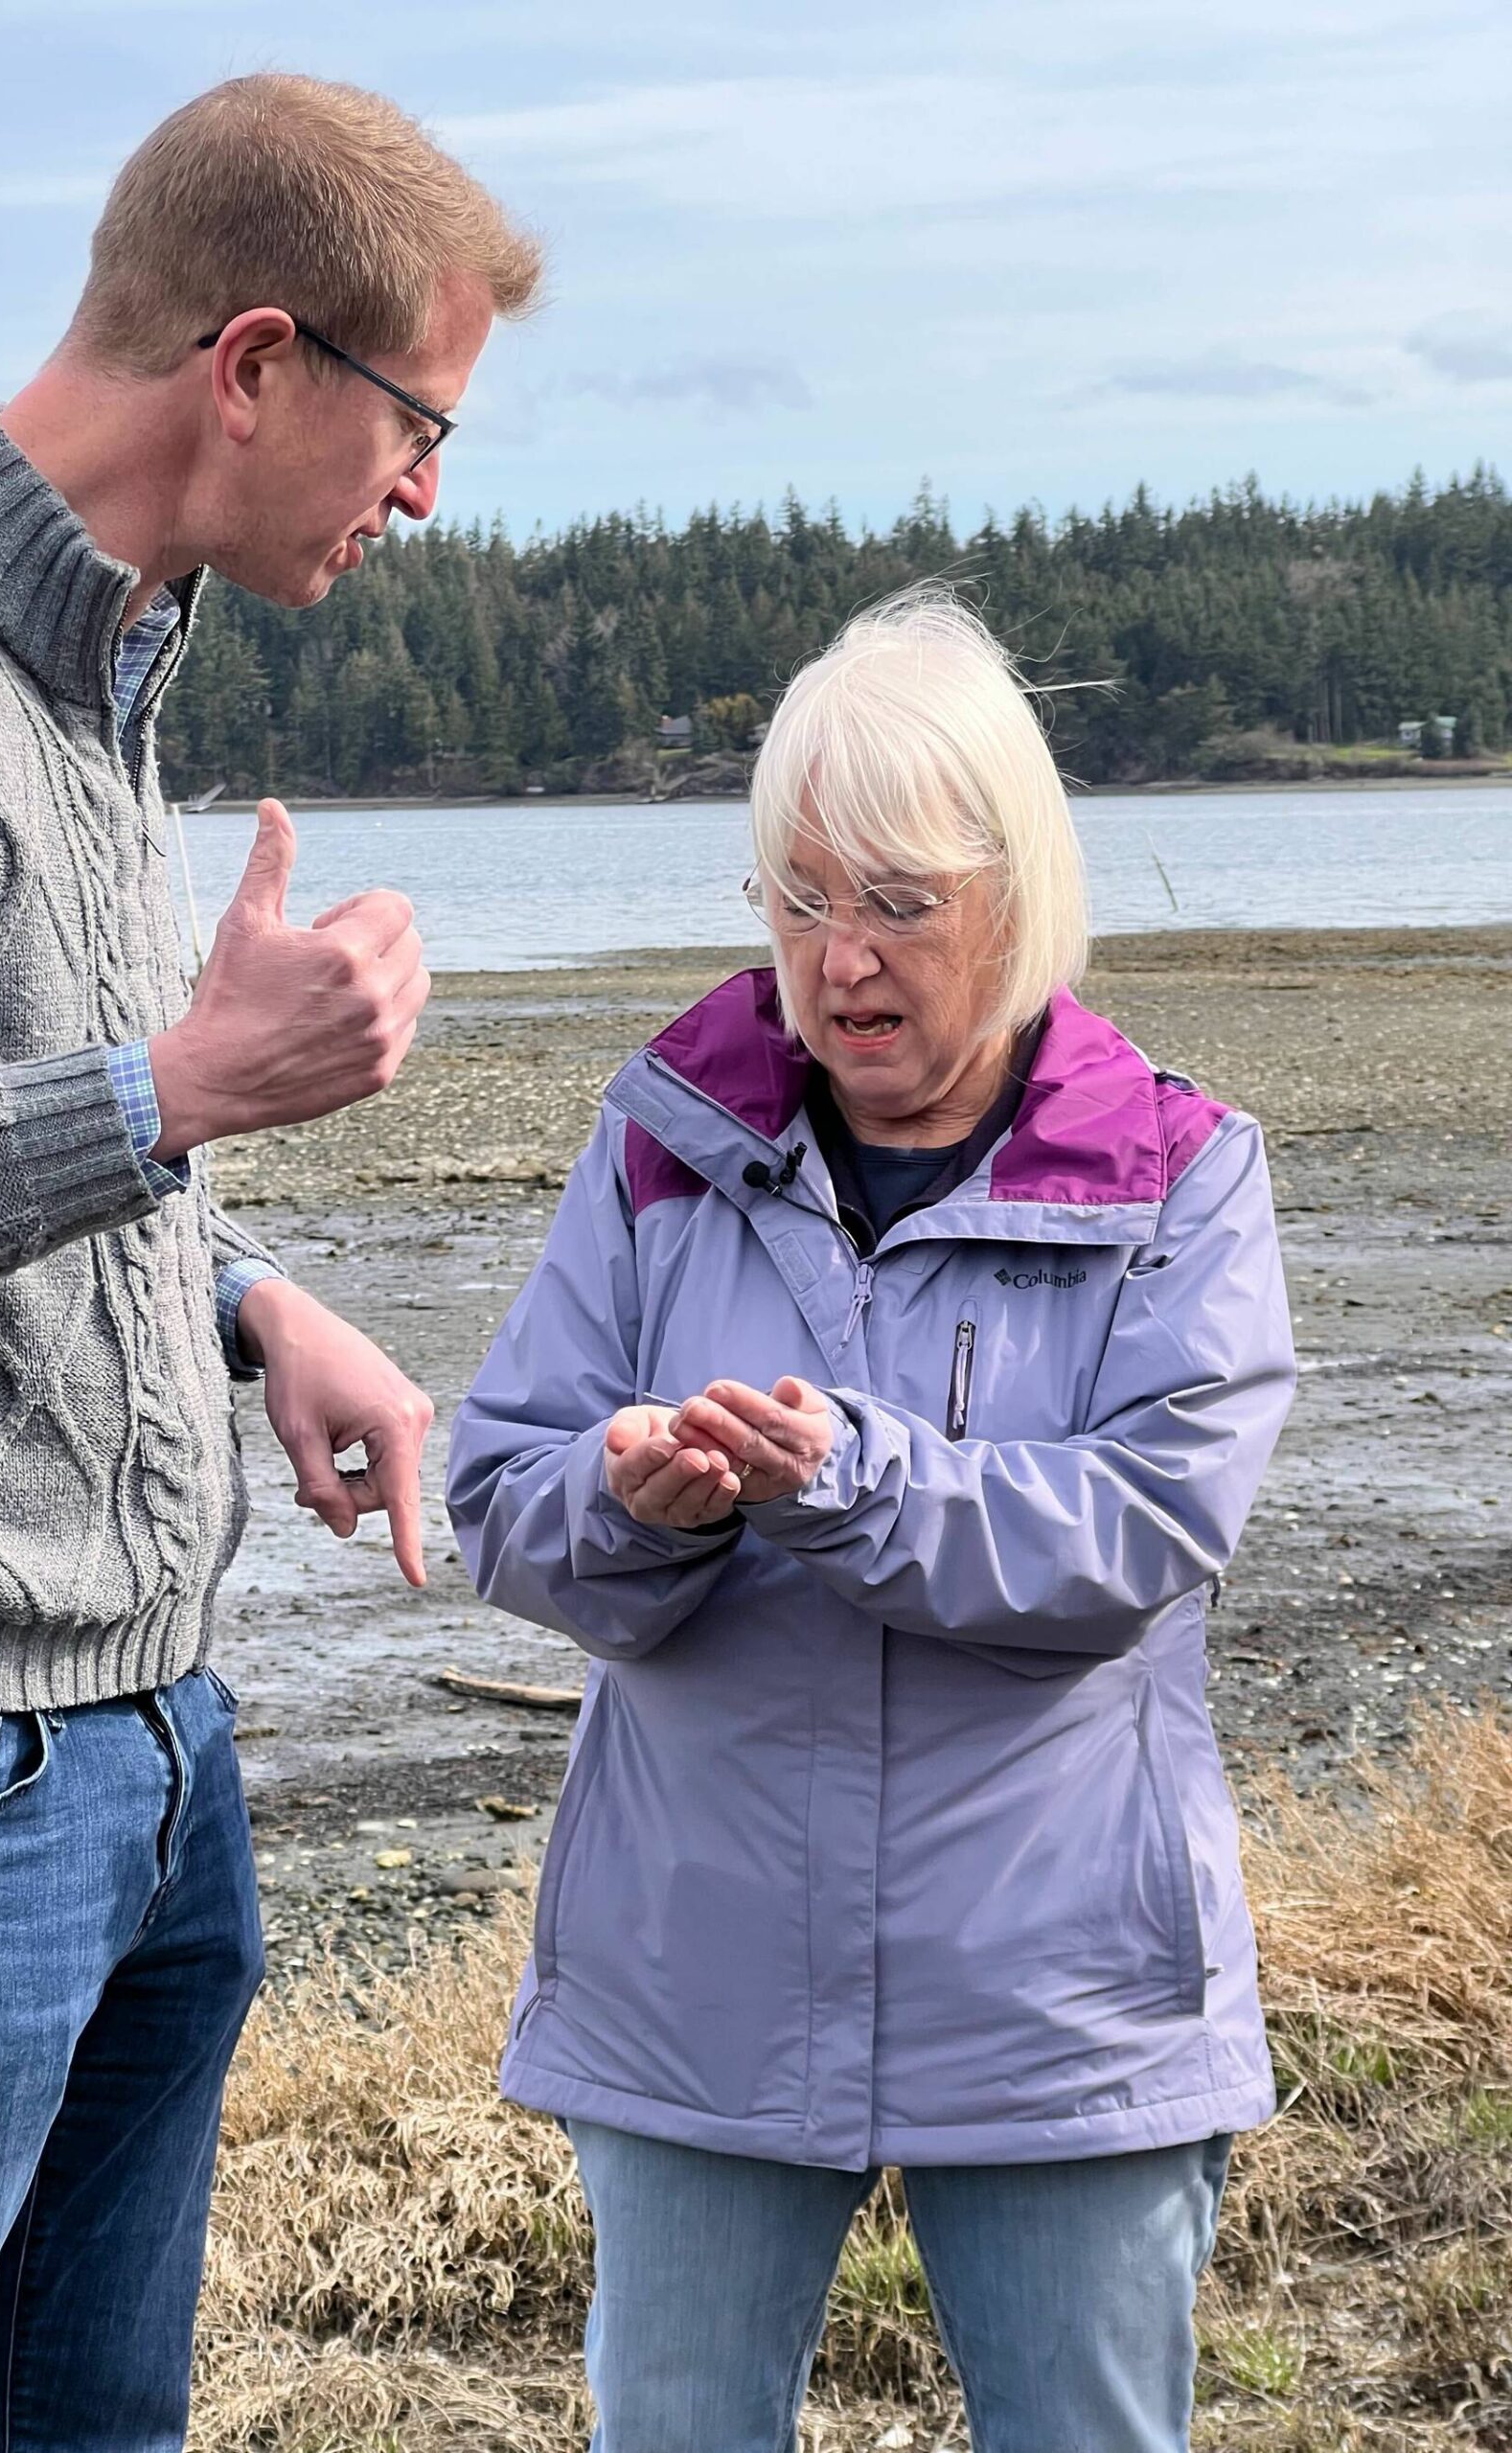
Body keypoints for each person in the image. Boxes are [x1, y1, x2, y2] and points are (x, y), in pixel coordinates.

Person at [0, 73, 539, 2453]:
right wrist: (177, 1091)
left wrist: (248, 1295)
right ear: (253, 362)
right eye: (417, 423)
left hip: (143, 1751)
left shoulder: (101, 664)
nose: (424, 495)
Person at [447, 589, 1297, 2453]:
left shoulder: (1179, 1171)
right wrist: (635, 1507)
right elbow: (501, 1489)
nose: (842, 962)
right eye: (802, 897)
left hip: (1062, 1991)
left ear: (1019, 889)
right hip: (699, 1974)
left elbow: (1151, 1524)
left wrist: (850, 1478)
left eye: (900, 902)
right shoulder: (661, 1144)